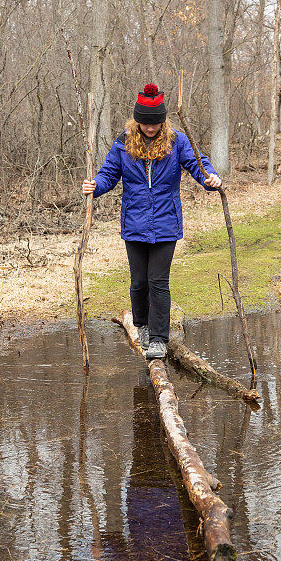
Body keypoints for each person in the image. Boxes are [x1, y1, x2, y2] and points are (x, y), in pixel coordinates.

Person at [82, 83, 221, 359]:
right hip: (134, 223)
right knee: (138, 283)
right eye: (145, 123)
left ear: (163, 120)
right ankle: (142, 327)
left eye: (155, 123)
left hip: (166, 224)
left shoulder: (176, 141)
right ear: (137, 120)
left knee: (158, 282)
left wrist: (210, 178)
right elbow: (109, 174)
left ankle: (158, 338)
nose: (150, 128)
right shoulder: (123, 143)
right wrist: (94, 185)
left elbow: (198, 163)